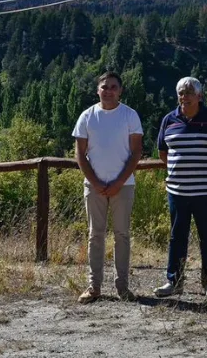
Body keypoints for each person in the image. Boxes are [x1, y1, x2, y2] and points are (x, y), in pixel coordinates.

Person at [73, 72, 144, 303]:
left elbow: (136, 153)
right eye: (105, 87)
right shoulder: (87, 116)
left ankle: (122, 287)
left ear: (120, 90)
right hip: (94, 187)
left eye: (113, 87)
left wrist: (118, 182)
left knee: (122, 235)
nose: (109, 90)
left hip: (123, 186)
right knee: (96, 235)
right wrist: (95, 182)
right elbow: (80, 154)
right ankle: (94, 287)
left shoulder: (130, 115)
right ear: (98, 90)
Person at [154, 77, 207, 297]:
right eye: (181, 93)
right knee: (177, 237)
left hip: (206, 191)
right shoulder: (169, 120)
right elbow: (163, 152)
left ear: (199, 96)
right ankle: (174, 282)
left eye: (188, 93)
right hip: (177, 191)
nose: (184, 97)